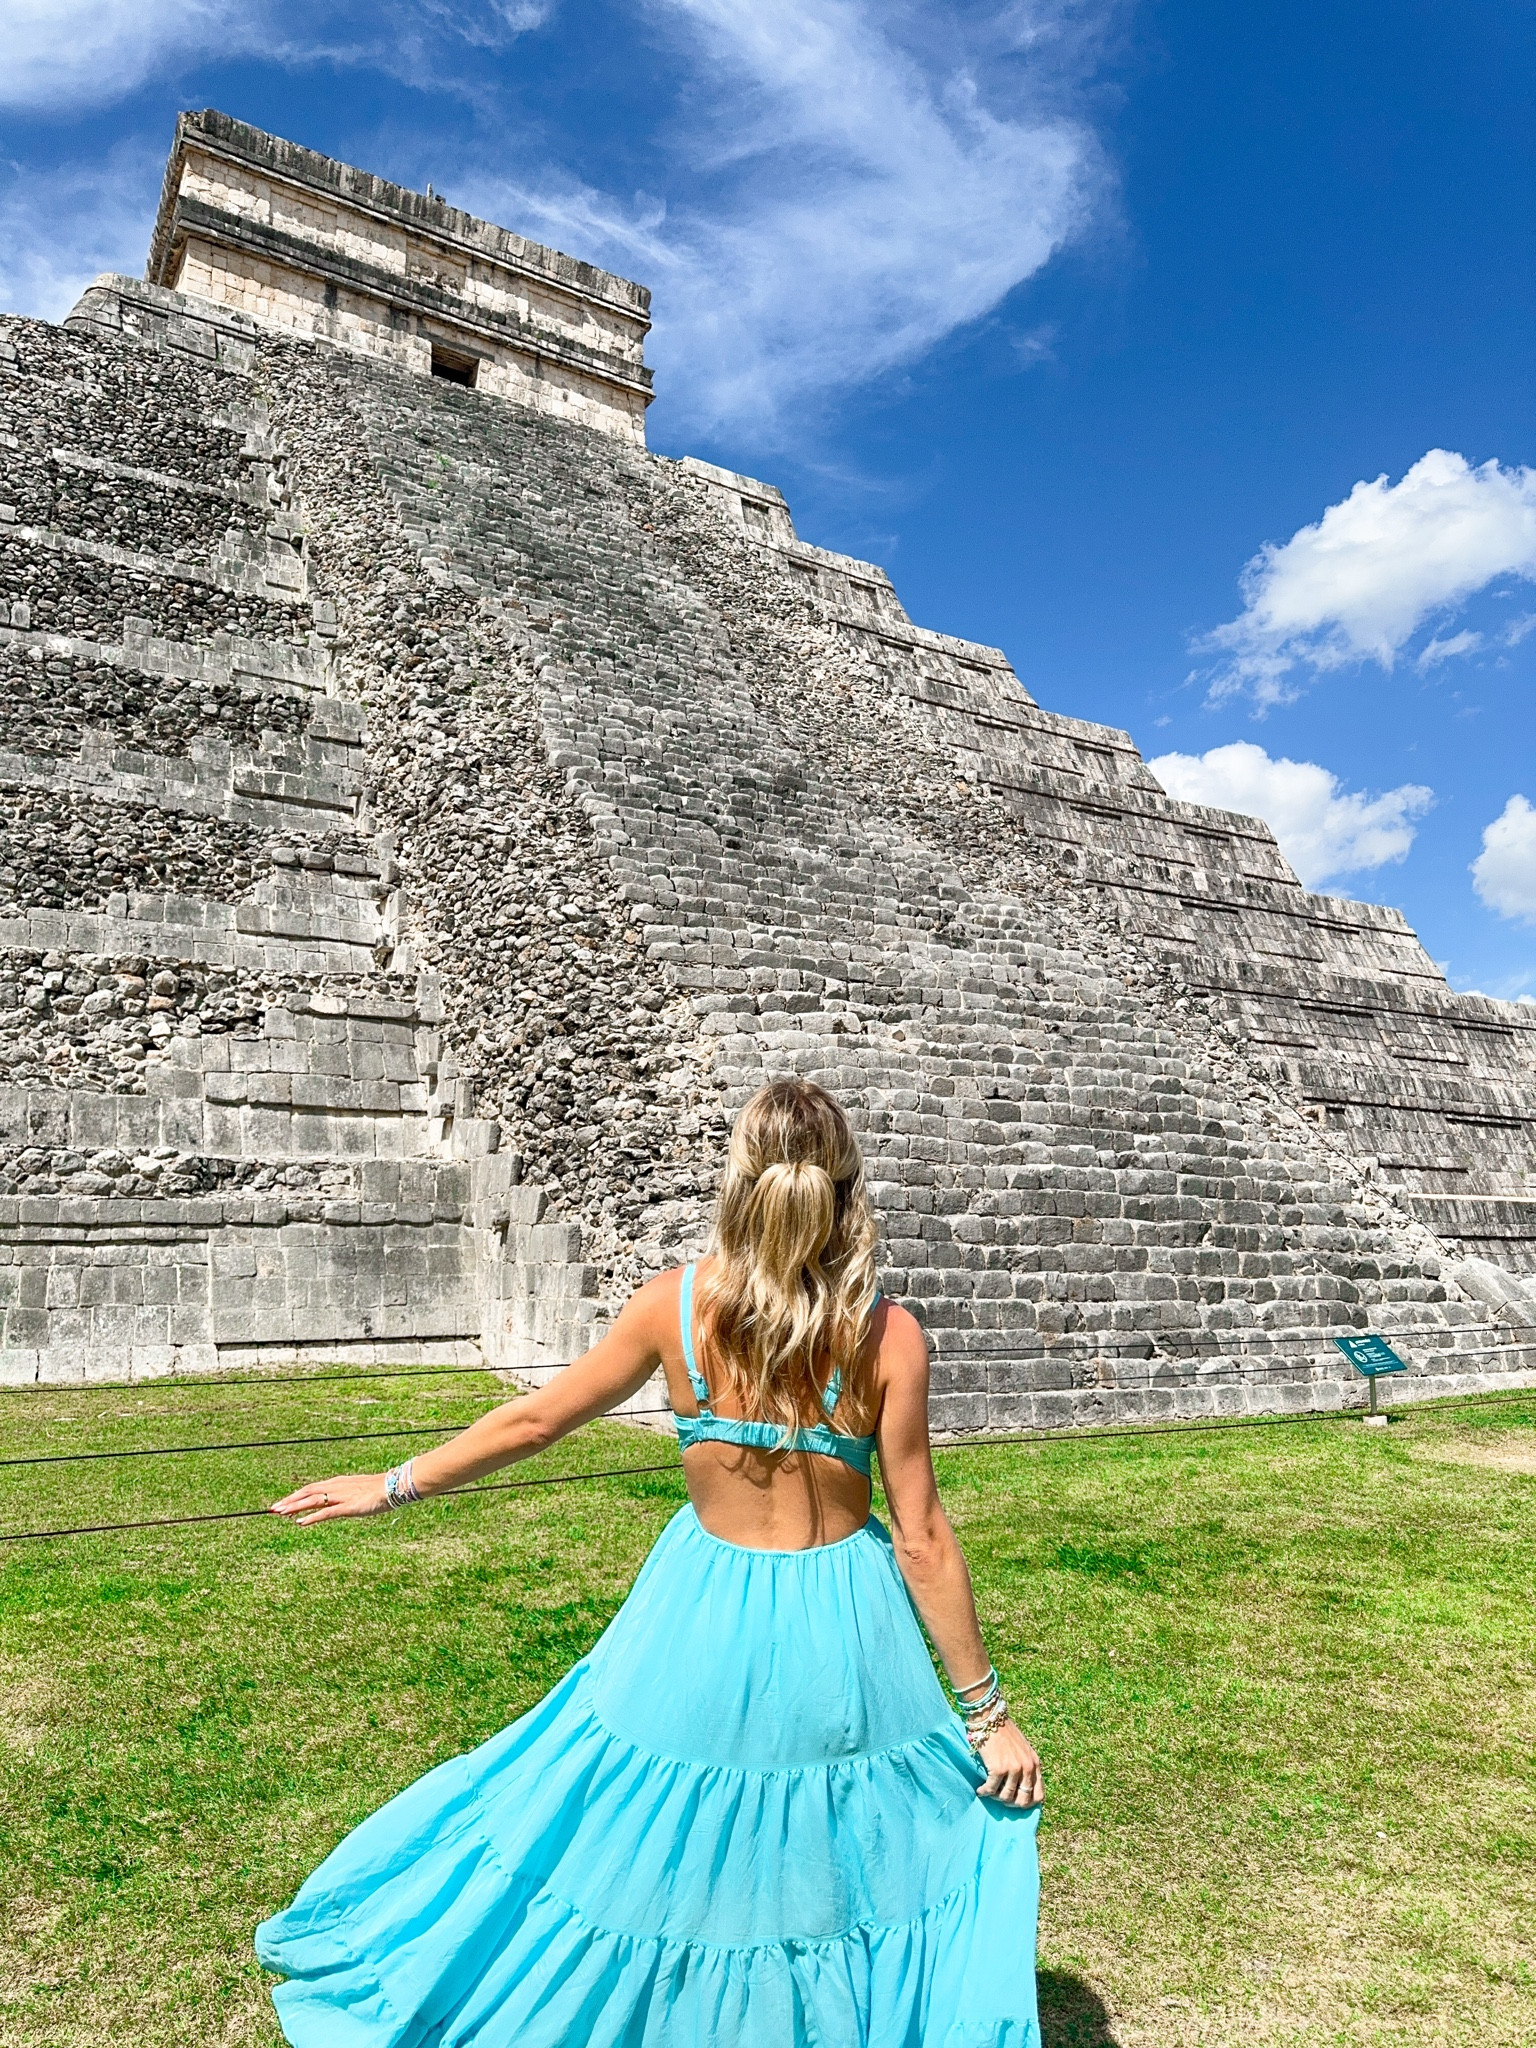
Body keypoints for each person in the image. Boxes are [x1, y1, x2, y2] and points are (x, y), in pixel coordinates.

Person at [257, 1077, 1043, 2045]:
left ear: (740, 1178)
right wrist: (988, 1714)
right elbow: (920, 1533)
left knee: (646, 1829)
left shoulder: (673, 1306)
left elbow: (536, 1419)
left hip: (700, 1607)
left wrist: (394, 1480)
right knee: (845, 1842)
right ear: (846, 1187)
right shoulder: (888, 1335)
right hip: (845, 1618)